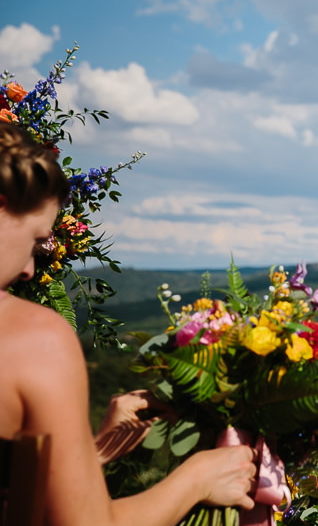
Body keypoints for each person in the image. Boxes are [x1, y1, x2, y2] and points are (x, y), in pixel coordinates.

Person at [0, 121, 257, 526]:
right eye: (36, 240)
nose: (32, 269)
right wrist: (197, 478)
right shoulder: (35, 339)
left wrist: (93, 450)